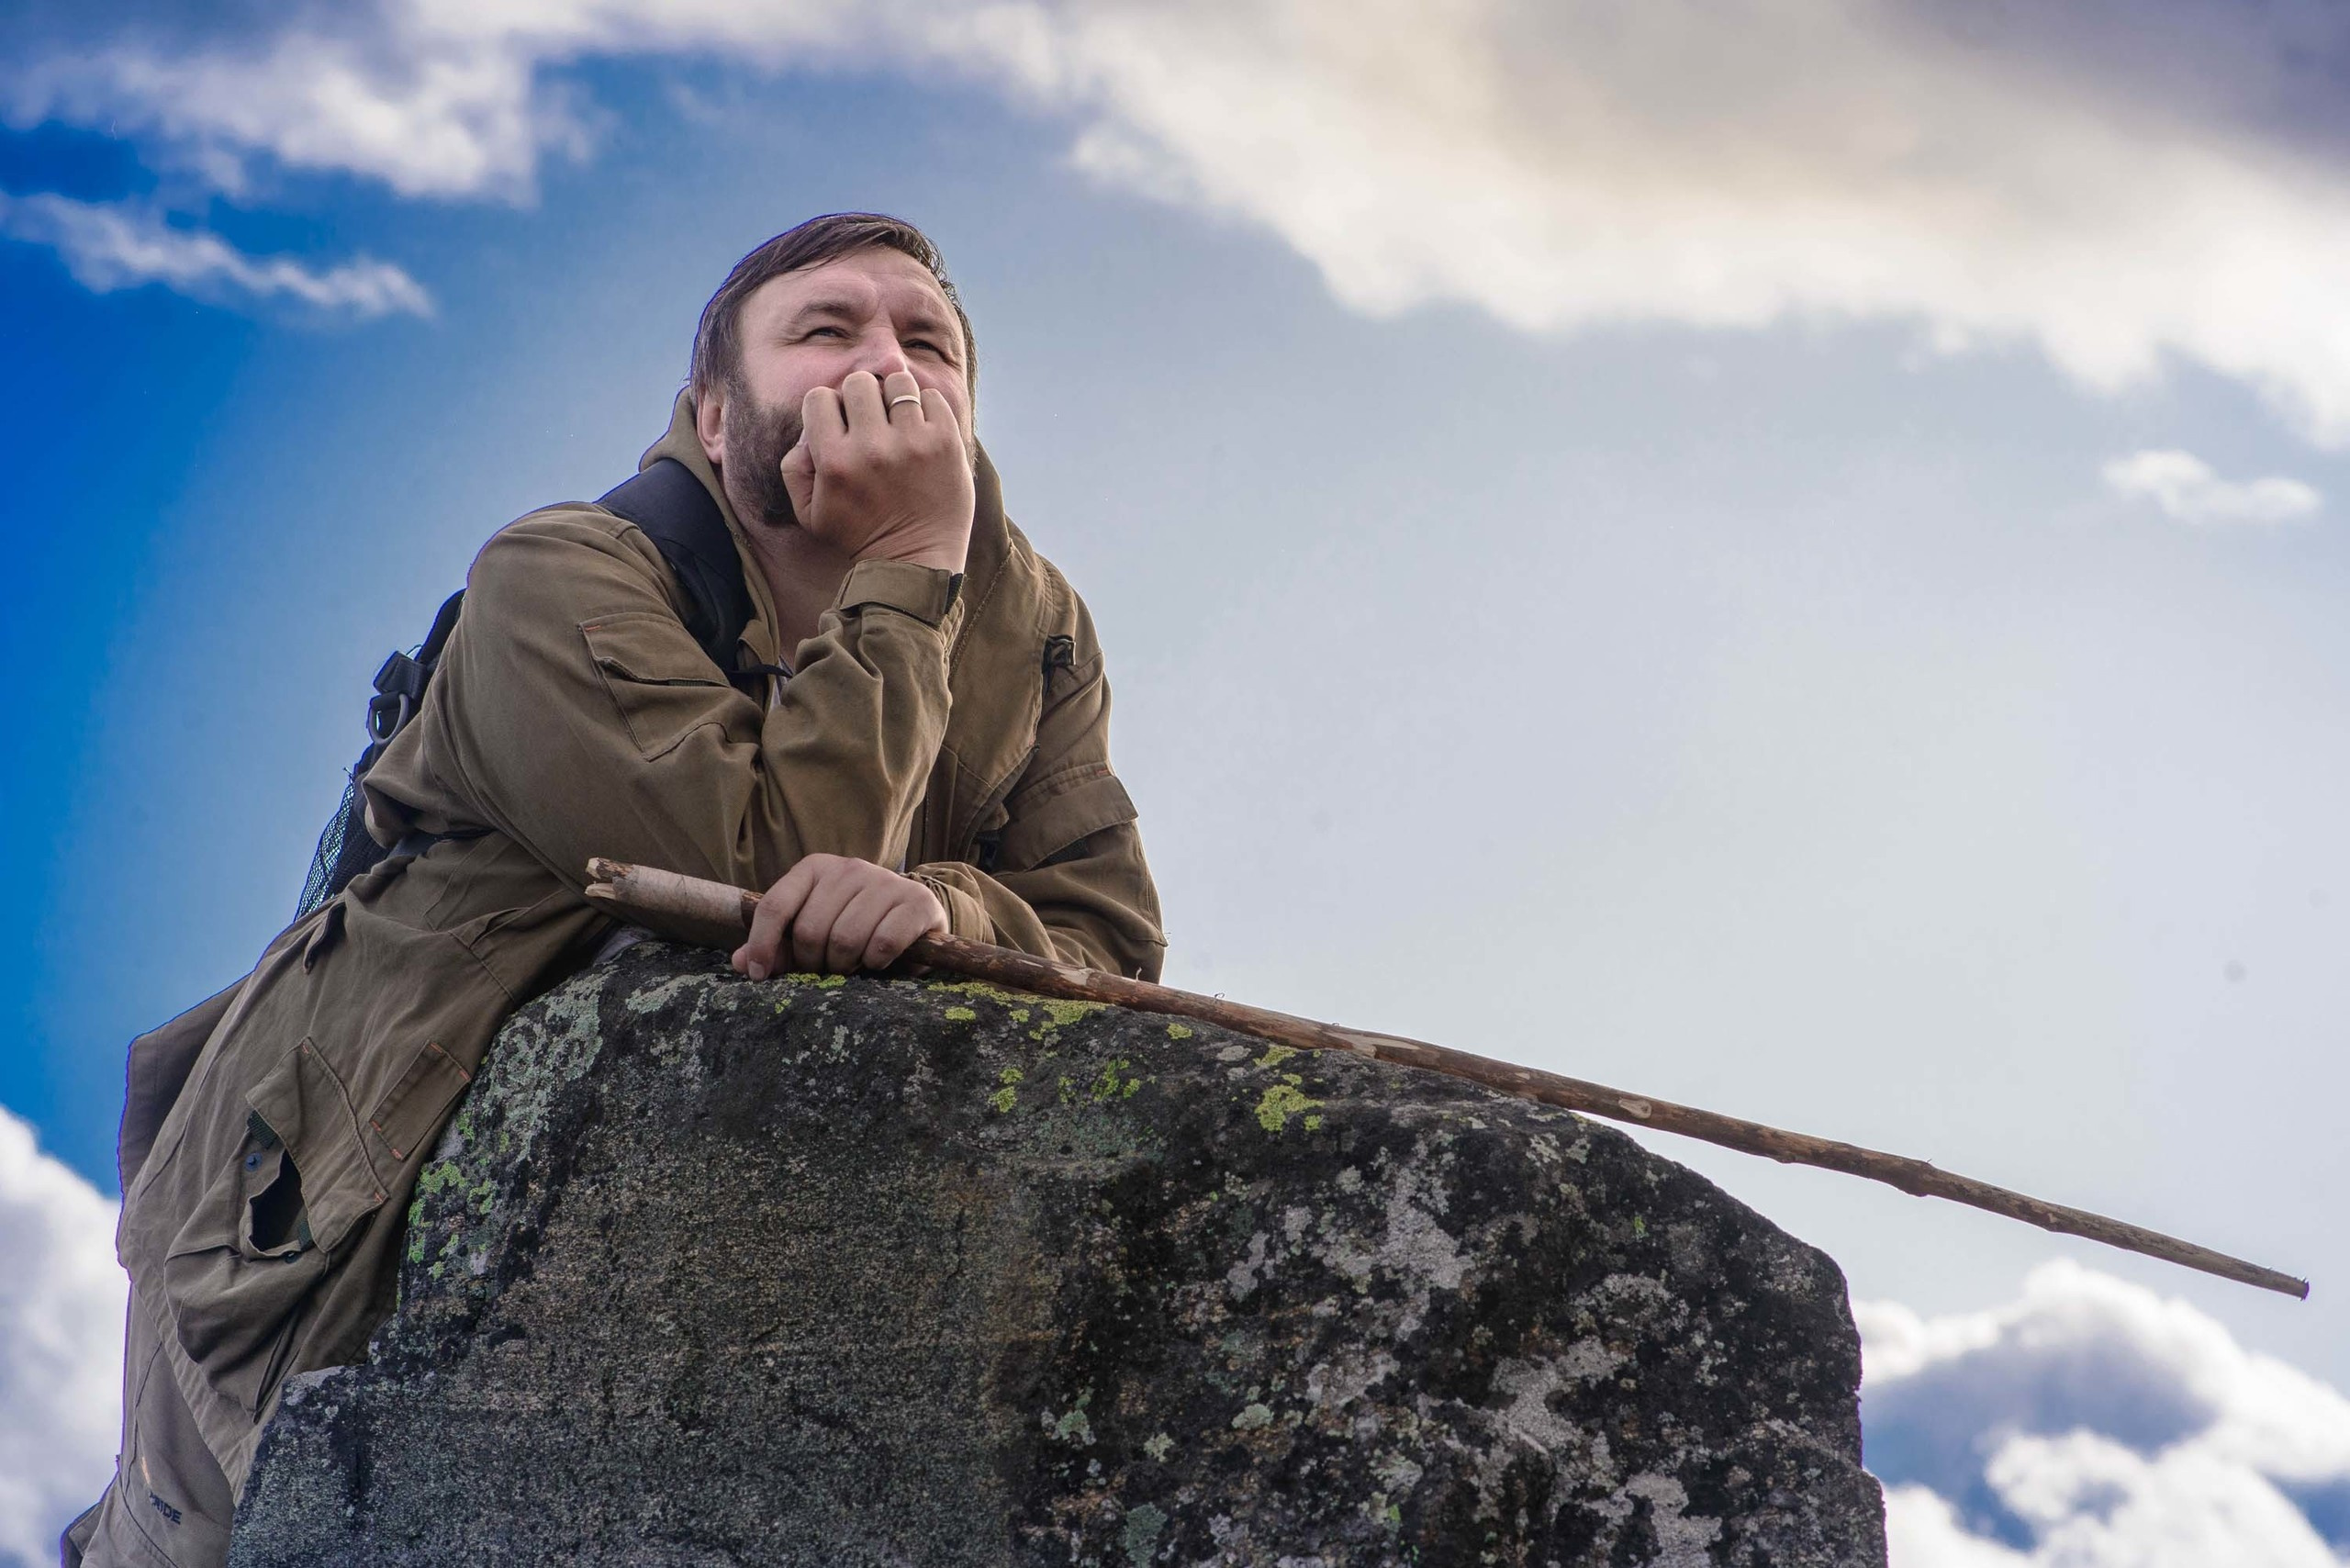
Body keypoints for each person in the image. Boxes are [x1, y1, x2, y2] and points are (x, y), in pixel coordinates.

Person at [64, 212, 1165, 1568]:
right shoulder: (559, 571)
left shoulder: (1036, 626)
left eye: (925, 339)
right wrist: (909, 565)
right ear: (714, 417)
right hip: (315, 1214)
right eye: (827, 328)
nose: (889, 357)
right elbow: (760, 867)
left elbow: (1110, 941)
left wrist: (947, 910)